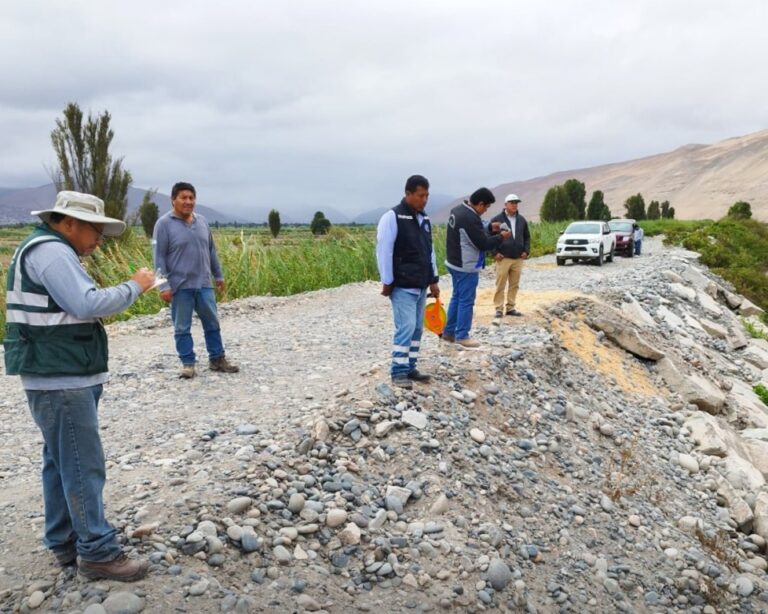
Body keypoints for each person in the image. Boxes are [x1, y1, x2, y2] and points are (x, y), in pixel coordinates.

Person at [4, 191, 154, 581]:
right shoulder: (52, 253)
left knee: (60, 461)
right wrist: (135, 286)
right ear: (68, 223)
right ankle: (98, 552)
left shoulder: (48, 249)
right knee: (82, 464)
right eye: (95, 229)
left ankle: (65, 541)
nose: (100, 238)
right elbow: (86, 304)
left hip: (58, 375)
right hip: (61, 378)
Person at [153, 182, 239, 378]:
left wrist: (218, 275)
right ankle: (188, 364)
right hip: (180, 287)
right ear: (173, 200)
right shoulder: (164, 224)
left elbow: (211, 251)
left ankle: (217, 359)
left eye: (191, 198)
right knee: (182, 327)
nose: (188, 202)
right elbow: (158, 257)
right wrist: (163, 285)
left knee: (212, 323)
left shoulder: (202, 222)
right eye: (183, 198)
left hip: (204, 284)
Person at [376, 175, 440, 389]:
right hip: (403, 284)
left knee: (417, 329)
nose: (425, 199)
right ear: (408, 194)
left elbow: (429, 251)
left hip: (421, 283)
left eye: (427, 195)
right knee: (406, 327)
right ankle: (398, 371)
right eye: (421, 195)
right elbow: (384, 251)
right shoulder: (392, 217)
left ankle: (410, 366)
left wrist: (434, 279)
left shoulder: (424, 219)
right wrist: (387, 281)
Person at [443, 188, 510, 347]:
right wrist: (501, 237)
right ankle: (462, 335)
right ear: (480, 204)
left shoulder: (458, 210)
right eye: (485, 207)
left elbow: (471, 232)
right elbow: (483, 244)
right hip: (466, 265)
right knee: (466, 300)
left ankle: (449, 332)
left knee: (456, 298)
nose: (485, 211)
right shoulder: (470, 218)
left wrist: (488, 228)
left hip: (454, 262)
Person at [490, 194, 530, 318]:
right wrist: (494, 253)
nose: (514, 205)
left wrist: (526, 251)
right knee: (500, 284)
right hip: (503, 258)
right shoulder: (497, 220)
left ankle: (511, 307)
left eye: (516, 203)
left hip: (518, 258)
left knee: (514, 284)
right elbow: (489, 237)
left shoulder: (522, 220)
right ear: (505, 204)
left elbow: (527, 237)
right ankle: (498, 308)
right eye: (512, 202)